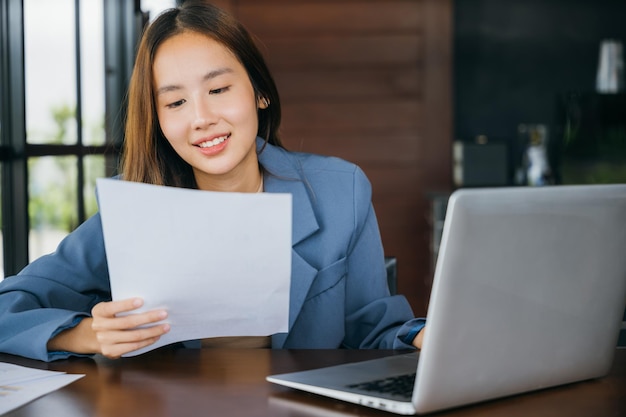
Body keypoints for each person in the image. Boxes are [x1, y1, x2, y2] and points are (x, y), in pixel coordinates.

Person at [0, 1, 425, 362]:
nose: (201, 118)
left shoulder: (340, 190)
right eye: (176, 101)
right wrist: (87, 334)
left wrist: (426, 336)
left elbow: (375, 330)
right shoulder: (134, 210)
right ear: (159, 121)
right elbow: (6, 308)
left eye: (218, 89)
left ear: (259, 92)